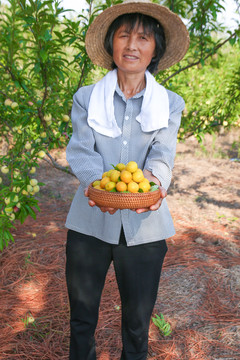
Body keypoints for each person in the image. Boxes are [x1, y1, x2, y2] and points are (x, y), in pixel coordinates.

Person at [65, 0, 189, 359]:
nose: (132, 46)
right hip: (89, 224)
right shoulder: (87, 98)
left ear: (156, 50)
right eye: (123, 36)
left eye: (143, 39)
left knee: (137, 325)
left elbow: (163, 154)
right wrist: (95, 184)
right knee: (82, 320)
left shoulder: (170, 103)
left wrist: (154, 184)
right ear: (111, 45)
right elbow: (81, 150)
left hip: (145, 227)